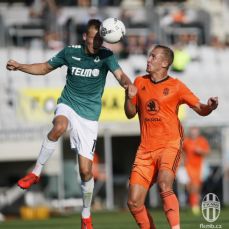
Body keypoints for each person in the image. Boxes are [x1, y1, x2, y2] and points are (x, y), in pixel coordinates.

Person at [6, 19, 134, 229]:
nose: (97, 43)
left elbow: (121, 76)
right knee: (59, 127)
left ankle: (86, 215)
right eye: (94, 39)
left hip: (89, 116)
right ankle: (35, 173)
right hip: (68, 104)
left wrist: (129, 86)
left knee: (85, 172)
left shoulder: (106, 56)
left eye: (100, 39)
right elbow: (44, 68)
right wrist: (20, 66)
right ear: (85, 37)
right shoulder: (70, 52)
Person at [124, 44, 218, 229]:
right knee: (134, 202)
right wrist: (129, 97)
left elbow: (200, 108)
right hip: (145, 149)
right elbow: (129, 113)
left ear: (165, 63)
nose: (148, 60)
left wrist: (210, 107)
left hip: (169, 144)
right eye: (149, 56)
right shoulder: (139, 82)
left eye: (153, 57)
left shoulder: (176, 86)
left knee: (164, 184)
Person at [182, 126, 210, 215]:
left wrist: (201, 151)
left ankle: (194, 204)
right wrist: (182, 159)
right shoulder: (186, 141)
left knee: (196, 186)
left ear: (198, 133)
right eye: (192, 131)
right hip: (188, 166)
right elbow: (181, 151)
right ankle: (194, 203)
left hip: (199, 166)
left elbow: (208, 152)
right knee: (190, 186)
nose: (193, 133)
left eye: (195, 132)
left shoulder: (202, 141)